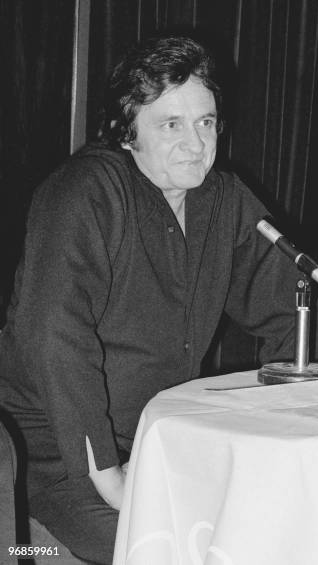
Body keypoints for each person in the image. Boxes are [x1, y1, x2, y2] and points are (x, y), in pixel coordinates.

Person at [0, 36, 298, 564]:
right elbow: (55, 338)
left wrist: (295, 417)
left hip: (161, 447)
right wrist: (110, 478)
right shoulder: (86, 191)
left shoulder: (223, 198)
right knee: (174, 550)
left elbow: (286, 306)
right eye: (171, 124)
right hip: (51, 461)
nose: (194, 143)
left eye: (205, 122)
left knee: (273, 529)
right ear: (127, 131)